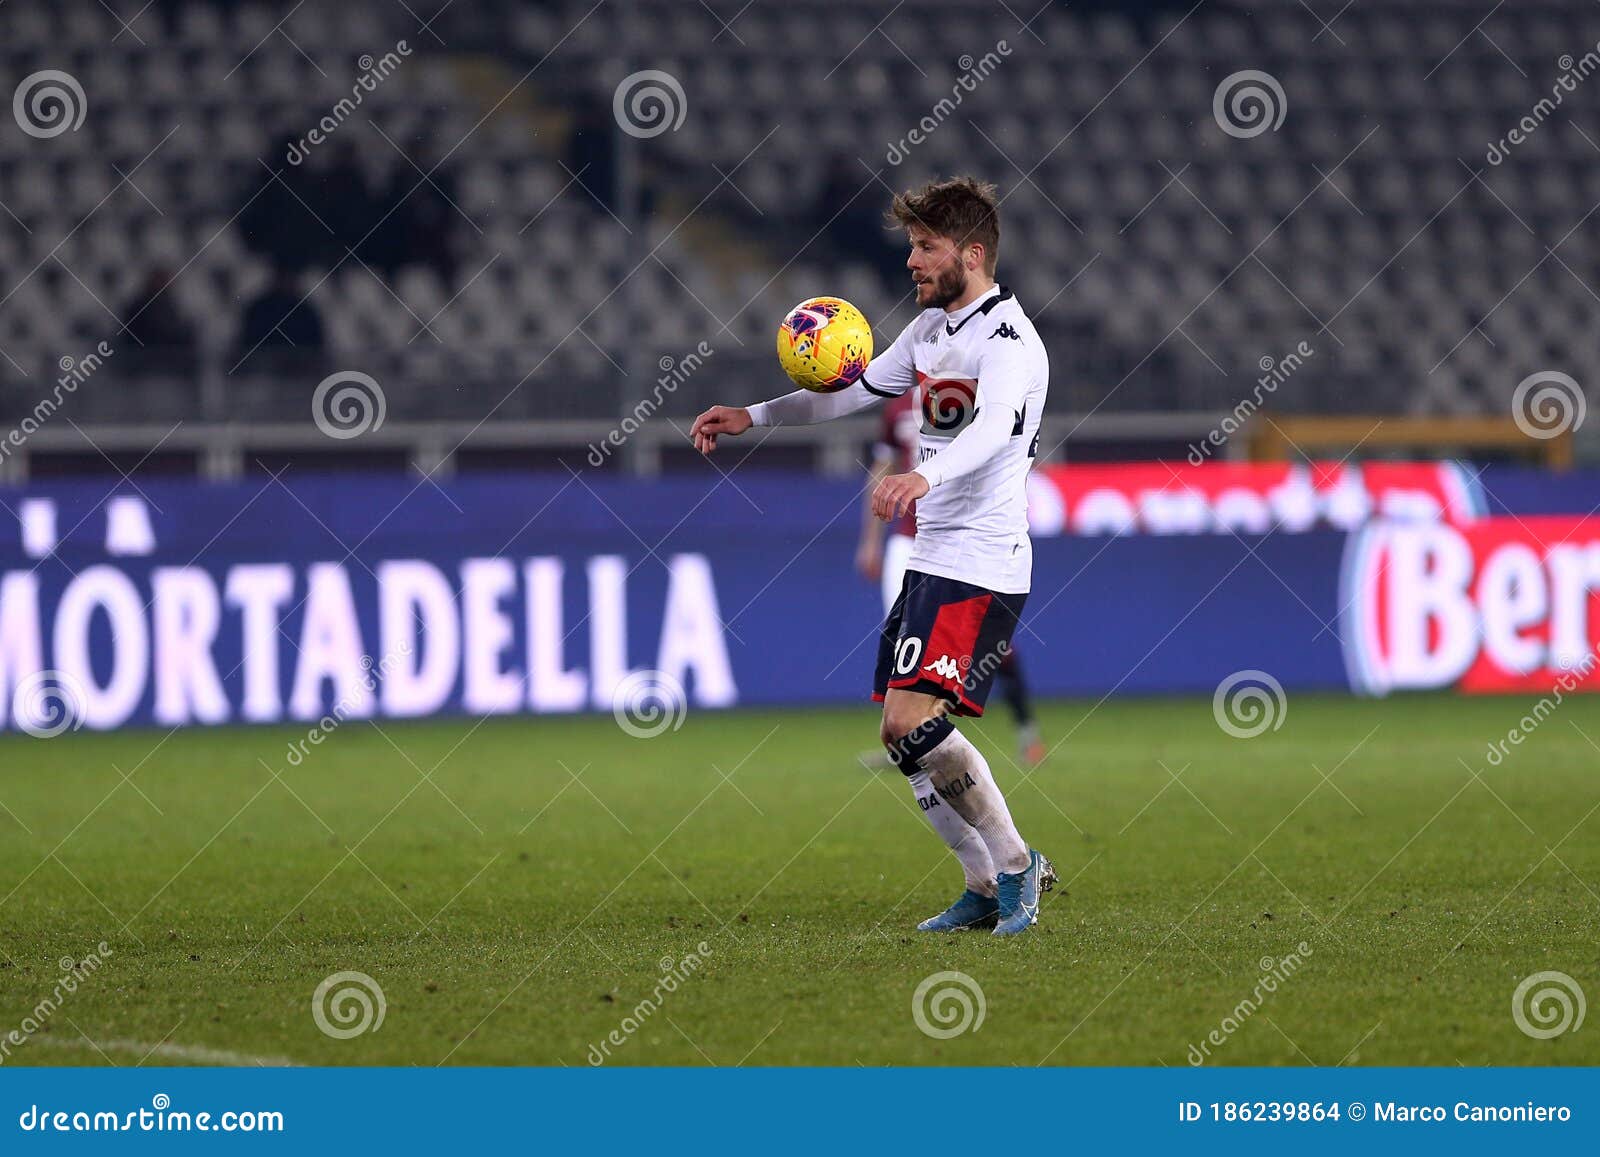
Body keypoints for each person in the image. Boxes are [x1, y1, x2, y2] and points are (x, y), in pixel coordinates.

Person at [691, 177, 1055, 936]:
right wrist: (749, 415)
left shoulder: (1009, 341)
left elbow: (991, 431)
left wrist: (922, 473)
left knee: (911, 721)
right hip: (935, 556)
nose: (913, 262)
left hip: (981, 562)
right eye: (912, 246)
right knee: (899, 734)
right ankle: (982, 883)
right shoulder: (930, 335)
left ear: (973, 252)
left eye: (926, 247)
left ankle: (1019, 864)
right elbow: (845, 395)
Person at [856, 387, 1048, 767]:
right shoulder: (897, 407)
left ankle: (1026, 729)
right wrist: (870, 541)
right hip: (908, 541)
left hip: (960, 541)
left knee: (994, 648)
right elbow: (883, 468)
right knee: (905, 645)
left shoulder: (969, 392)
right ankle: (911, 738)